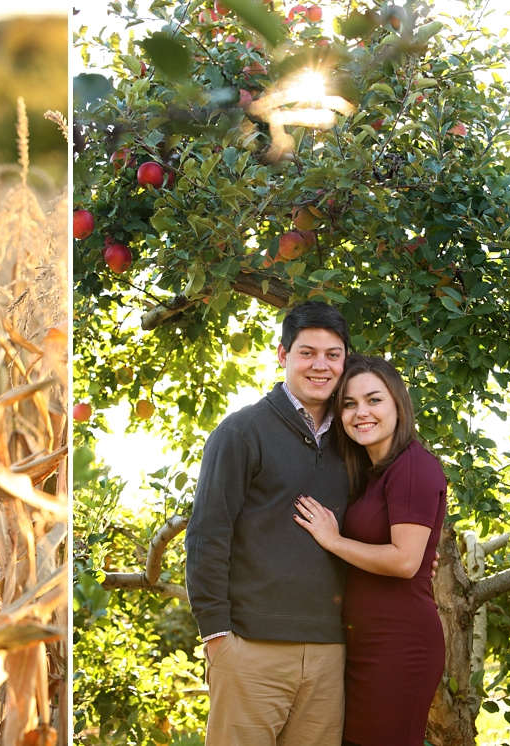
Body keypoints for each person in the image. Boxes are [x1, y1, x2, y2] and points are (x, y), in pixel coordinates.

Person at [185, 300, 351, 746]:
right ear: (283, 355)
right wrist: (217, 635)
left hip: (330, 651)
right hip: (250, 648)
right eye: (307, 352)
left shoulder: (356, 440)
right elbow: (207, 535)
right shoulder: (241, 432)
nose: (321, 365)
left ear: (345, 361)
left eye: (333, 354)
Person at [294, 354, 446, 746]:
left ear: (398, 403)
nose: (361, 412)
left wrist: (333, 540)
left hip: (397, 646)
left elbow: (404, 561)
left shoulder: (413, 467)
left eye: (374, 400)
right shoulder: (372, 472)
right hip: (363, 644)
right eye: (349, 403)